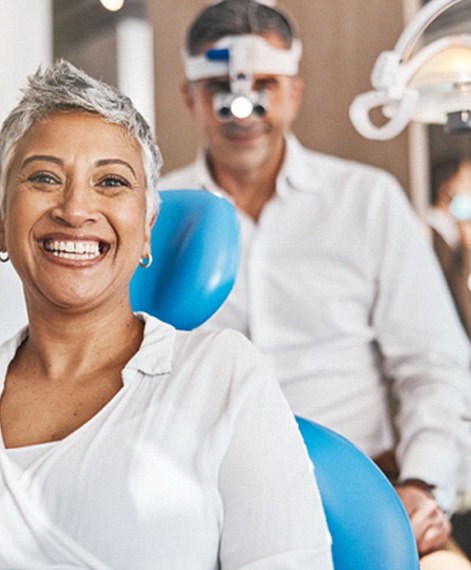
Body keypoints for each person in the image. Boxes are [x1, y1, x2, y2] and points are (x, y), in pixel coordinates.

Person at [0, 60, 333, 569]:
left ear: (148, 227)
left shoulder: (221, 375)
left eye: (111, 182)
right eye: (43, 177)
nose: (75, 209)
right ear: (1, 220)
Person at [159, 0, 471, 565]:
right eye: (220, 90)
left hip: (370, 491)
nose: (243, 107)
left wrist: (424, 485)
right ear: (189, 98)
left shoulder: (367, 201)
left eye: (265, 85)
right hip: (210, 505)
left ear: (295, 93)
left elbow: (435, 362)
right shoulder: (156, 217)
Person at [428, 157, 471, 340]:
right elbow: (456, 291)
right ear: (446, 192)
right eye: (467, 188)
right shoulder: (429, 235)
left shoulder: (454, 232)